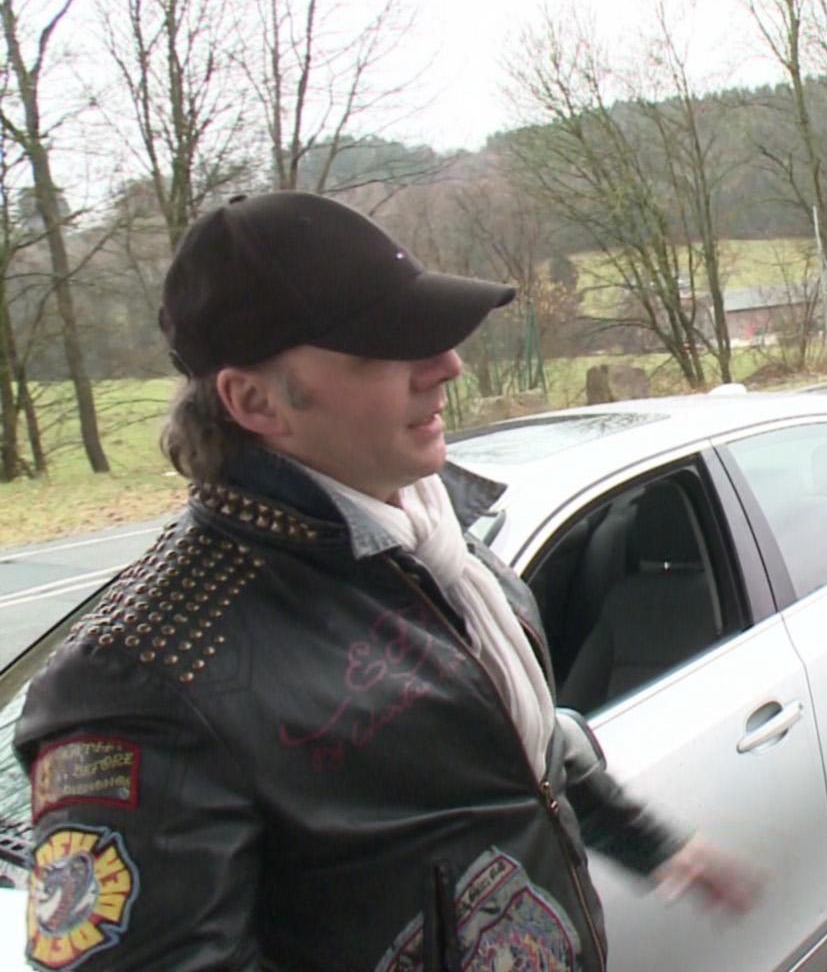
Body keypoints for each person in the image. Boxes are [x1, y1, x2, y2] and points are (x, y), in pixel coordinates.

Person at [13, 191, 756, 971]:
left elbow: (504, 744)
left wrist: (651, 844)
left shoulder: (430, 538)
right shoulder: (145, 678)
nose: (447, 365)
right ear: (254, 400)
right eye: (386, 345)